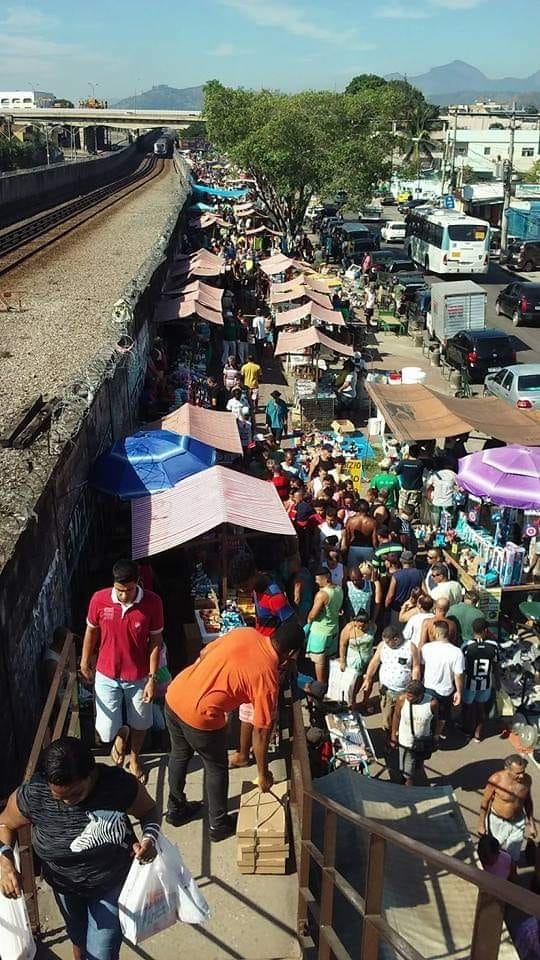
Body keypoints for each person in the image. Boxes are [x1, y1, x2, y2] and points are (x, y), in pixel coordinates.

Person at [0, 738, 160, 960]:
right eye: (59, 797)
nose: (67, 803)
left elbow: (149, 811)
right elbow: (5, 823)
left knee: (101, 954)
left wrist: (150, 839)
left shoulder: (118, 784)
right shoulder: (33, 794)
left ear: (92, 774)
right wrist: (5, 860)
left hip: (110, 884)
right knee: (78, 937)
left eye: (75, 794)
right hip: (63, 885)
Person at [165, 619, 303, 841]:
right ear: (292, 653)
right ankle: (218, 824)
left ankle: (175, 809)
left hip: (176, 694)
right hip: (202, 716)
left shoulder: (246, 633)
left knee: (179, 754)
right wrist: (263, 773)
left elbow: (204, 653)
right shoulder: (268, 676)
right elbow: (261, 732)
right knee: (216, 766)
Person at [80, 559, 163, 783]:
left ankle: (134, 759)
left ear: (137, 583)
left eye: (128, 590)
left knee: (142, 722)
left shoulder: (153, 603)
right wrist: (84, 661)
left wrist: (152, 678)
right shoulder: (99, 599)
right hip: (106, 673)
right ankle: (119, 735)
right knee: (105, 731)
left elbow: (156, 642)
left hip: (138, 675)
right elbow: (91, 632)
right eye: (119, 590)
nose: (123, 595)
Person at [360, 626, 421, 735]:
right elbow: (375, 662)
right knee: (387, 718)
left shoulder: (411, 647)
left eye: (388, 642)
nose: (386, 644)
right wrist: (368, 678)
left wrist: (415, 687)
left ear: (396, 639)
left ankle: (398, 735)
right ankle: (388, 736)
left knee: (401, 717)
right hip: (386, 690)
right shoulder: (382, 646)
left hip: (403, 692)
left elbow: (416, 667)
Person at [479, 755, 536, 870]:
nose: (521, 776)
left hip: (518, 821)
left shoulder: (527, 780)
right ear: (507, 769)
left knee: (514, 856)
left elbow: (528, 801)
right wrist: (481, 824)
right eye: (517, 773)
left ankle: (511, 876)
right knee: (493, 853)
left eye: (523, 771)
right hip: (497, 822)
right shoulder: (496, 780)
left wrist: (532, 824)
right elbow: (485, 802)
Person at [391, 680, 438, 786]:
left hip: (423, 742)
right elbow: (396, 717)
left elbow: (435, 720)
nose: (408, 698)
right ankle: (408, 789)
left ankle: (409, 778)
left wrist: (435, 737)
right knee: (407, 771)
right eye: (407, 695)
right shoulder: (401, 699)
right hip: (406, 742)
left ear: (421, 695)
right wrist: (393, 735)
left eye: (411, 696)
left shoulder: (432, 703)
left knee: (417, 765)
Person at [421, 621, 465, 735]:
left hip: (428, 689)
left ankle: (426, 734)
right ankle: (436, 736)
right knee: (442, 716)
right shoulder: (457, 652)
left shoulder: (427, 648)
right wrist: (459, 692)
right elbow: (458, 675)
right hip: (447, 690)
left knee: (427, 715)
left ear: (435, 632)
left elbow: (420, 665)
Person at [461, 618, 500, 742]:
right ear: (485, 630)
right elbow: (496, 665)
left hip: (469, 682)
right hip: (485, 682)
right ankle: (478, 733)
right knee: (481, 707)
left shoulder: (467, 646)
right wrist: (497, 681)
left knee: (467, 707)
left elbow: (461, 666)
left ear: (473, 630)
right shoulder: (493, 646)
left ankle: (467, 730)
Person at [305, 567, 343, 684]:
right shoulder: (339, 589)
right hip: (334, 629)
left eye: (318, 580)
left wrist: (308, 620)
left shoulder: (322, 594)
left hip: (320, 633)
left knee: (319, 662)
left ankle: (321, 687)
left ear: (326, 578)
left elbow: (313, 614)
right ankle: (330, 684)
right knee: (330, 659)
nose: (316, 582)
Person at [339, 610, 376, 706]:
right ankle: (352, 702)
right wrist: (342, 661)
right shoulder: (348, 628)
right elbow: (342, 645)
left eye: (363, 626)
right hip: (353, 660)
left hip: (368, 658)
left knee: (369, 681)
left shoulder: (373, 627)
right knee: (354, 684)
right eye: (358, 625)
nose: (360, 628)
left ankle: (365, 701)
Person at [385, 550, 424, 627]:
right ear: (413, 560)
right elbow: (423, 591)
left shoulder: (396, 575)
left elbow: (390, 596)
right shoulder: (420, 573)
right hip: (413, 609)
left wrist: (386, 608)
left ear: (401, 560)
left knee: (396, 633)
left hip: (397, 610)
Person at [341, 499, 377, 566]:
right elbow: (374, 540)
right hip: (368, 548)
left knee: (353, 571)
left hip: (353, 547)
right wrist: (376, 550)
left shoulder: (351, 520)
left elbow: (347, 536)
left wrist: (346, 549)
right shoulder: (373, 522)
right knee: (367, 571)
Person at [395, 445, 425, 515]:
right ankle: (410, 520)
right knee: (412, 507)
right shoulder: (420, 464)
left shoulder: (403, 462)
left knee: (401, 506)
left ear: (409, 453)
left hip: (405, 488)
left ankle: (401, 520)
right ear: (418, 453)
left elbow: (396, 472)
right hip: (416, 489)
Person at [425, 461, 457, 526]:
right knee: (447, 524)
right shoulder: (453, 474)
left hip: (436, 501)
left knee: (435, 524)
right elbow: (459, 486)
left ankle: (435, 532)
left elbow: (427, 486)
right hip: (449, 502)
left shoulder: (434, 474)